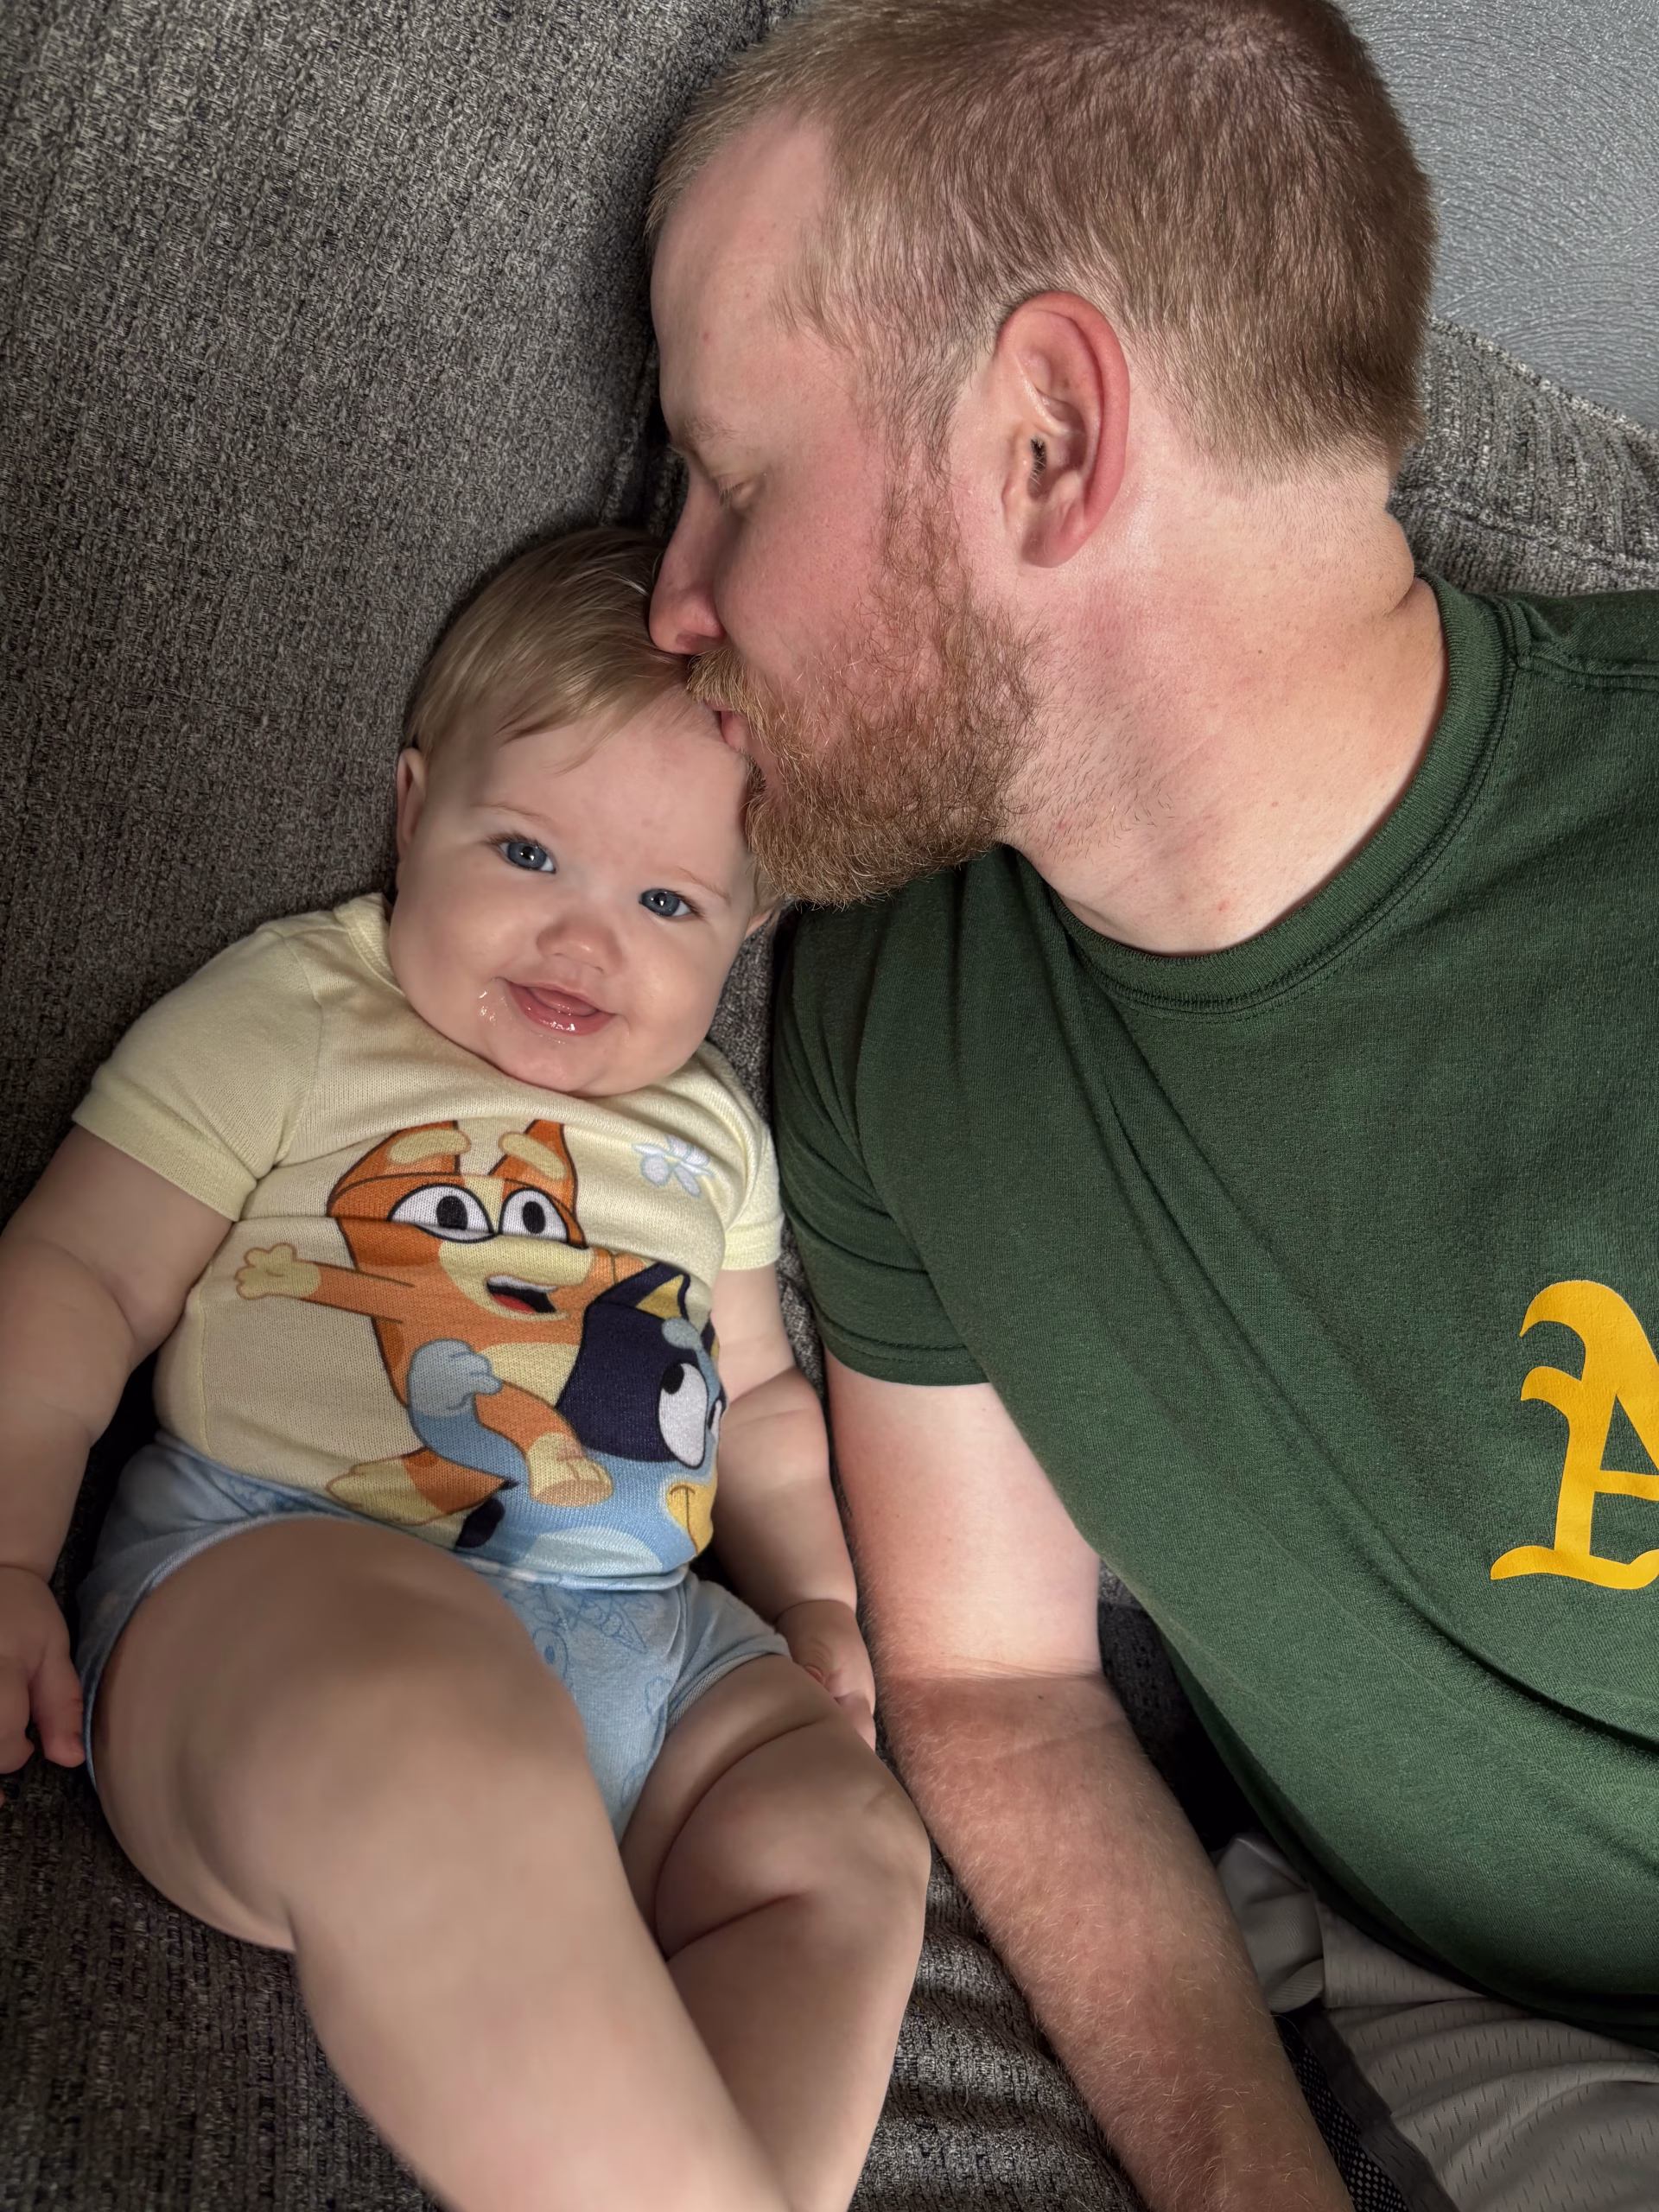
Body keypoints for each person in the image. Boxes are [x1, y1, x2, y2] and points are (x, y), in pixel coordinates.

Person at [643, 3, 1659, 2209]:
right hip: (1478, 2024)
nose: (674, 604)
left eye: (739, 479)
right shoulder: (893, 1012)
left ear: (1047, 437)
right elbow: (997, 1688)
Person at [0, 529, 929, 2212]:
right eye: (527, 850)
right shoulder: (297, 1008)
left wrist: (817, 1604)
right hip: (284, 1580)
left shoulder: (712, 1131)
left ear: (743, 927)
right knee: (433, 1711)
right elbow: (78, 1275)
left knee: (848, 1843)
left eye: (666, 901)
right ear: (413, 806)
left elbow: (760, 1401)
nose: (586, 936)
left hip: (651, 1640)